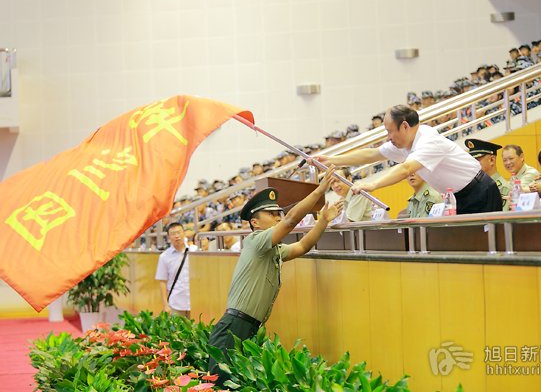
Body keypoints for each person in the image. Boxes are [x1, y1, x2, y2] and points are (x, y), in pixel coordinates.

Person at [207, 166, 343, 386]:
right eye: (271, 214)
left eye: (278, 213)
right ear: (255, 223)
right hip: (234, 327)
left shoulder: (273, 249)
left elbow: (302, 247)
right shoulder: (256, 241)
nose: (278, 217)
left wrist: (323, 221)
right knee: (221, 386)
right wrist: (319, 191)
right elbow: (290, 221)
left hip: (248, 327)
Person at [314, 105, 503, 214]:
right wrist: (332, 159)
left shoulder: (428, 140)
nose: (388, 137)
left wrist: (373, 185)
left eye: (389, 131)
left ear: (404, 126)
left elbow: (406, 169)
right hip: (457, 196)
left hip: (480, 191)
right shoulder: (402, 144)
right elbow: (372, 154)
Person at [155, 222, 194, 319]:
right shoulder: (164, 256)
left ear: (184, 233)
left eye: (179, 232)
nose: (177, 236)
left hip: (195, 302)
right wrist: (165, 305)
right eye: (173, 234)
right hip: (176, 303)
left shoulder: (194, 251)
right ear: (168, 237)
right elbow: (162, 282)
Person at [465, 139, 510, 211]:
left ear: (492, 160)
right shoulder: (474, 187)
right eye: (471, 160)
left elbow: (500, 216)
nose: (473, 164)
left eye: (477, 160)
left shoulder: (503, 188)